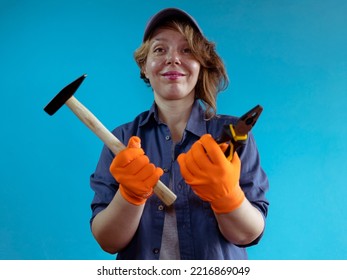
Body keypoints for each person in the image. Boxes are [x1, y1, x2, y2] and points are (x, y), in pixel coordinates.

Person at [90, 7, 269, 260]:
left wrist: (227, 196)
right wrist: (128, 196)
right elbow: (108, 241)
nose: (173, 59)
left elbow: (248, 234)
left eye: (187, 50)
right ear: (144, 67)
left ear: (200, 64)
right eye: (160, 49)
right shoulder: (120, 140)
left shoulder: (234, 136)